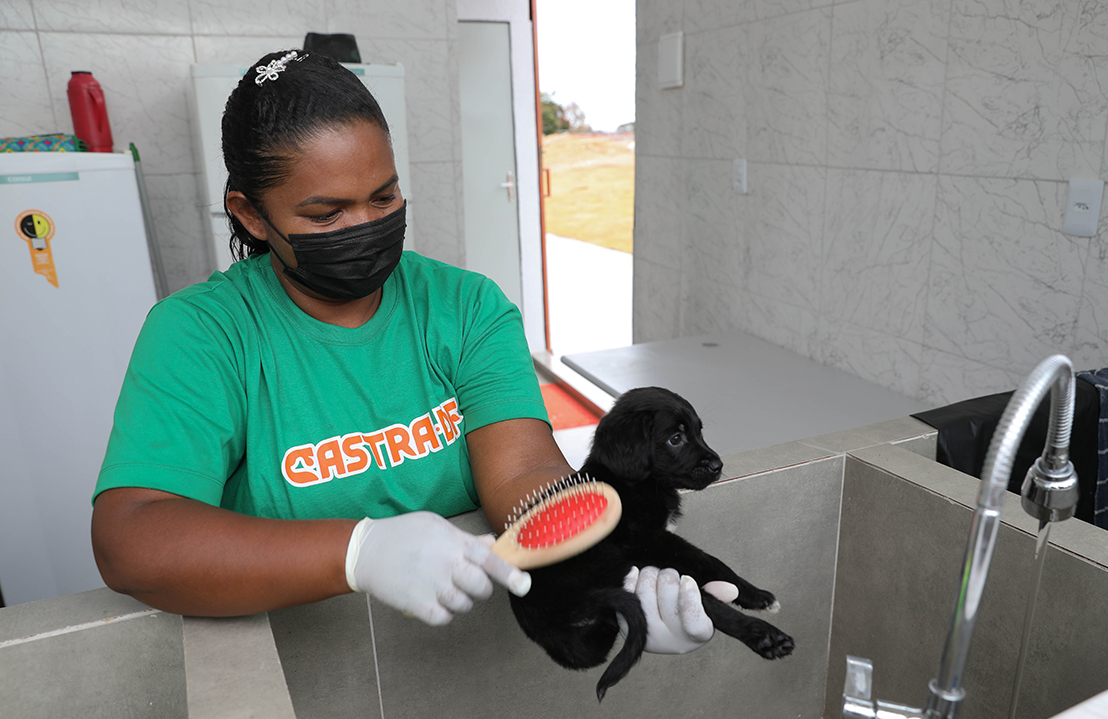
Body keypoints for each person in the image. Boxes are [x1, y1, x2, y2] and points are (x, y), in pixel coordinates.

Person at [91, 49, 725, 654]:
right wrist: (357, 553)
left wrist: (606, 576)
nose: (366, 226)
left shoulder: (465, 308)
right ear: (252, 215)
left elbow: (523, 476)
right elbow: (132, 537)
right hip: (294, 668)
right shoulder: (203, 334)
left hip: (465, 664)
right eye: (326, 214)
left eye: (384, 197)